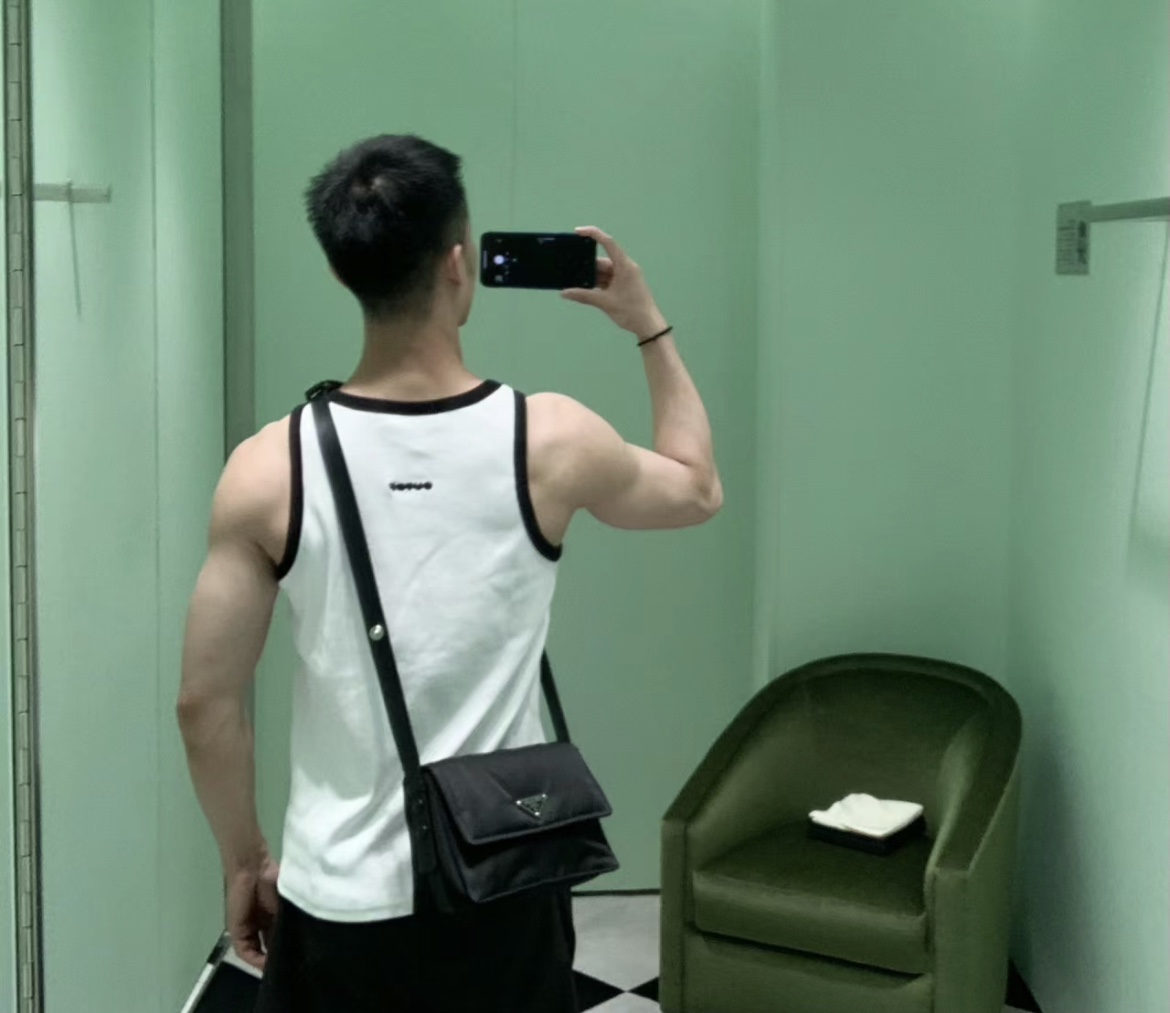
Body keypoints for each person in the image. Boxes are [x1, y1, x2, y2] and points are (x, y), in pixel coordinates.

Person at [176, 133, 723, 1013]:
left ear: (342, 270)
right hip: (503, 880)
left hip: (337, 896)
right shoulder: (549, 439)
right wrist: (647, 324)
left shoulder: (269, 469)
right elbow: (698, 489)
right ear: (460, 264)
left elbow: (204, 703)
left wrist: (245, 861)